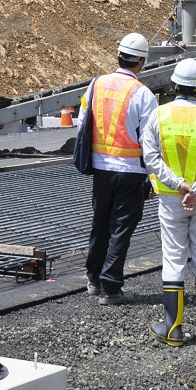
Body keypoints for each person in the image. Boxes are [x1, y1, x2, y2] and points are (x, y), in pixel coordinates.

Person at [142, 59, 196, 346]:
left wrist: (179, 185)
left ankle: (173, 328)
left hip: (170, 199)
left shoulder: (159, 115)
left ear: (174, 85)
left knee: (173, 258)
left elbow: (151, 158)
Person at [82, 32, 159, 304]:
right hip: (131, 172)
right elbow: (151, 141)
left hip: (101, 169)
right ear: (141, 61)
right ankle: (111, 287)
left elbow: (83, 122)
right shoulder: (143, 94)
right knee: (121, 229)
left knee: (100, 223)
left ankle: (93, 280)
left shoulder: (96, 85)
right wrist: (153, 178)